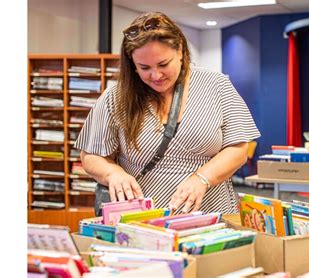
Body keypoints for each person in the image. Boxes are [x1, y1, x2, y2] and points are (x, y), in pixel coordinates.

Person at [74, 11, 260, 215]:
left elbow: (239, 148)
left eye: (163, 64)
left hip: (210, 213)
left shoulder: (216, 85)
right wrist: (113, 173)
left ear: (180, 50)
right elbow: (90, 155)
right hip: (141, 219)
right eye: (144, 67)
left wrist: (203, 178)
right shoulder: (115, 96)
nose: (156, 75)